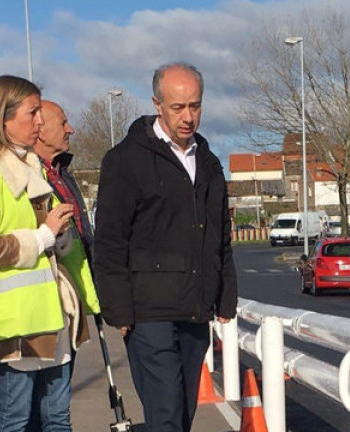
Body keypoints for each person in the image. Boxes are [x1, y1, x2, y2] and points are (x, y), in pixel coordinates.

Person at [93, 62, 238, 432]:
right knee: (167, 413)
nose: (188, 117)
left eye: (195, 106)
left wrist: (225, 295)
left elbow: (220, 234)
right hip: (148, 310)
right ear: (157, 104)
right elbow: (110, 241)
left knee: (183, 410)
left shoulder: (207, 162)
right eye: (178, 107)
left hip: (195, 306)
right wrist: (119, 310)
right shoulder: (125, 160)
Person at [0, 76, 93, 432]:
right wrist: (45, 235)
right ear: (3, 118)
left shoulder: (31, 165)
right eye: (32, 113)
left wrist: (57, 236)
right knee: (16, 421)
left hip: (49, 312)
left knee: (57, 418)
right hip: (15, 321)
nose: (40, 122)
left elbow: (46, 239)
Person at [27, 99, 101, 430]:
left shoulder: (62, 173)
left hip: (68, 303)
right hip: (39, 304)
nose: (70, 129)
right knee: (35, 410)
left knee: (55, 407)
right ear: (39, 129)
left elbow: (83, 242)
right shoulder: (28, 175)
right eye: (64, 122)